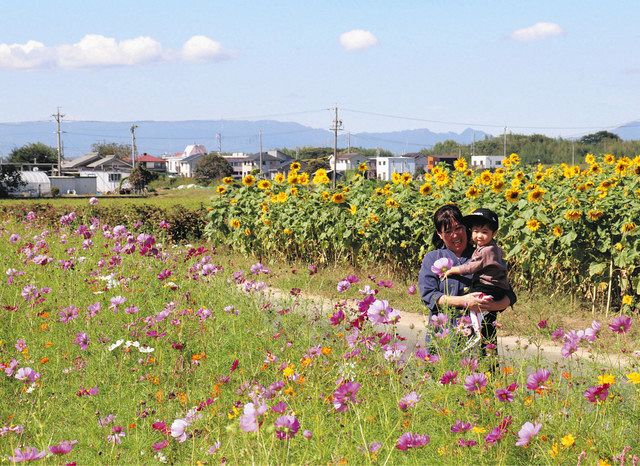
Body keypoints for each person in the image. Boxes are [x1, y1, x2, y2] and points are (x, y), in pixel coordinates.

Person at [418, 204, 516, 355]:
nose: (455, 235)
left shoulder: (484, 253)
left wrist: (488, 306)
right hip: (444, 336)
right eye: (448, 231)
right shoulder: (433, 258)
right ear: (439, 234)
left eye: (458, 228)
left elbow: (509, 294)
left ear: (466, 228)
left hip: (483, 337)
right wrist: (465, 302)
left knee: (484, 374)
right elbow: (429, 295)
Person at [442, 208, 510, 347]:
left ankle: (473, 330)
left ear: (494, 233)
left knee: (472, 299)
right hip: (496, 286)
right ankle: (480, 333)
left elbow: (471, 267)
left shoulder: (486, 250)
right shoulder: (492, 247)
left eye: (484, 232)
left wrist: (453, 269)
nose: (479, 236)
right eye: (475, 231)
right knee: (485, 314)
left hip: (488, 285)